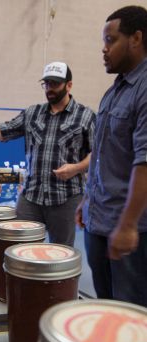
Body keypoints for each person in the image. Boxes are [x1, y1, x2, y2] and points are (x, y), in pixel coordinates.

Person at [0, 61, 95, 246]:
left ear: (69, 85)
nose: (50, 88)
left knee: (60, 254)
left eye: (55, 84)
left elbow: (97, 154)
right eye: (47, 84)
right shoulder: (33, 113)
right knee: (20, 247)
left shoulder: (86, 116)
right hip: (31, 197)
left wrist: (76, 168)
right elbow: (3, 130)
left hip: (65, 198)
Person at [76, 6, 147, 307]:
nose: (104, 50)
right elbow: (104, 154)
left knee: (130, 311)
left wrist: (129, 224)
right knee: (105, 307)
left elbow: (144, 163)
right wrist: (86, 200)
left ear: (136, 39)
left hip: (129, 230)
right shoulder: (114, 92)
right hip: (99, 222)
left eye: (111, 39)